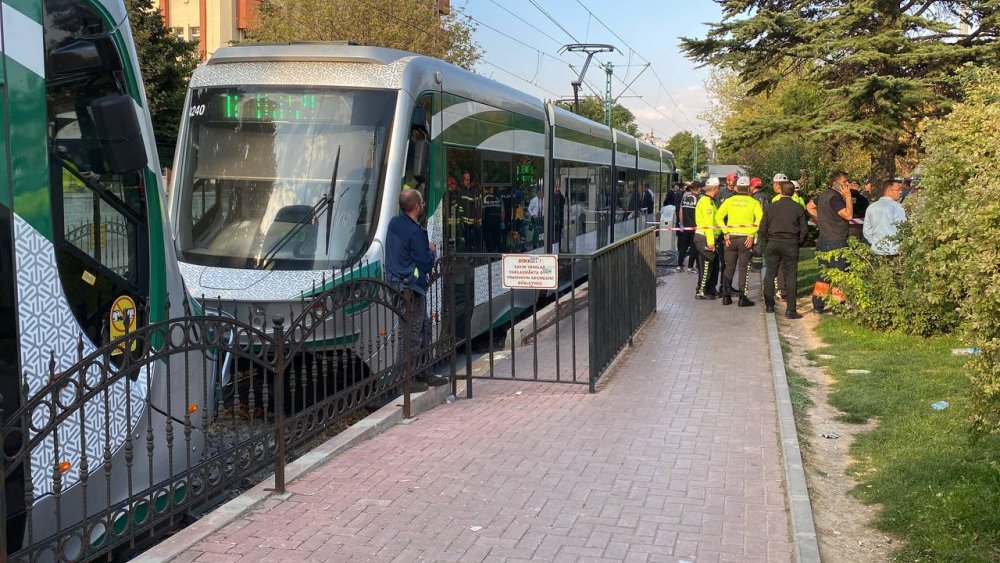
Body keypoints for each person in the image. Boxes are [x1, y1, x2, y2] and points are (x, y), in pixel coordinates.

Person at [385, 189, 447, 390]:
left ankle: (424, 372)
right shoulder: (416, 232)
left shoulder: (394, 223)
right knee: (412, 333)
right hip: (411, 288)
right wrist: (431, 249)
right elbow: (427, 264)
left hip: (395, 284)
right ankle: (407, 380)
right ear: (417, 206)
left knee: (423, 327)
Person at [806, 171, 853, 313]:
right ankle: (838, 306)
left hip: (823, 240)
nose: (847, 185)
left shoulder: (824, 195)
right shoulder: (836, 198)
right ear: (835, 183)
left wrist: (820, 219)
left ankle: (818, 306)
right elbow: (849, 215)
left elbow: (809, 206)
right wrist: (848, 197)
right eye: (845, 182)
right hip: (836, 241)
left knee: (823, 276)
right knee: (839, 275)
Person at [760, 181, 809, 319]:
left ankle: (769, 305)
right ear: (793, 192)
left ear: (780, 191)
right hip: (790, 243)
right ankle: (791, 309)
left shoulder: (771, 207)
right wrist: (798, 242)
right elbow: (804, 229)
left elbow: (762, 228)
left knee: (770, 273)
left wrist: (768, 239)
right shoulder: (798, 207)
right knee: (791, 275)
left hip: (773, 242)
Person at [715, 176, 763, 307]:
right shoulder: (753, 202)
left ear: (737, 187)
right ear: (748, 188)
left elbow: (718, 217)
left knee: (729, 267)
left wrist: (725, 233)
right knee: (743, 268)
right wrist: (751, 234)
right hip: (745, 239)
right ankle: (742, 298)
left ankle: (726, 296)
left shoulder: (729, 201)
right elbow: (760, 219)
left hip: (730, 238)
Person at [694, 178, 722, 300]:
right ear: (715, 188)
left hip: (708, 237)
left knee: (714, 265)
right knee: (706, 265)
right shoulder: (707, 203)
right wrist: (711, 242)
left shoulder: (708, 201)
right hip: (705, 237)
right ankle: (701, 291)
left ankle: (710, 289)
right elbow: (708, 224)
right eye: (719, 188)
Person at [863, 179, 907, 256]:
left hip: (876, 250)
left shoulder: (871, 207)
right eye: (898, 190)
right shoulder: (897, 207)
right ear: (889, 191)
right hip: (894, 250)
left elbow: (866, 230)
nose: (901, 192)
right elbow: (903, 228)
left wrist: (874, 242)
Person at [676, 183, 700, 273]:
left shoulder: (685, 198)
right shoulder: (697, 199)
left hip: (685, 227)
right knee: (693, 247)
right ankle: (690, 267)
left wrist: (681, 224)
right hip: (694, 227)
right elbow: (699, 214)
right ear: (697, 189)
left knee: (684, 246)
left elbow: (680, 212)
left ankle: (679, 265)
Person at [459, 171, 480, 252]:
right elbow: (460, 206)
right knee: (467, 239)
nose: (466, 181)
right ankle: (469, 254)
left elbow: (477, 206)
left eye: (468, 180)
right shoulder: (462, 191)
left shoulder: (475, 191)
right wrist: (460, 217)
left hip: (474, 221)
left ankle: (474, 255)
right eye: (465, 180)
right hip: (464, 221)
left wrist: (477, 219)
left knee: (474, 239)